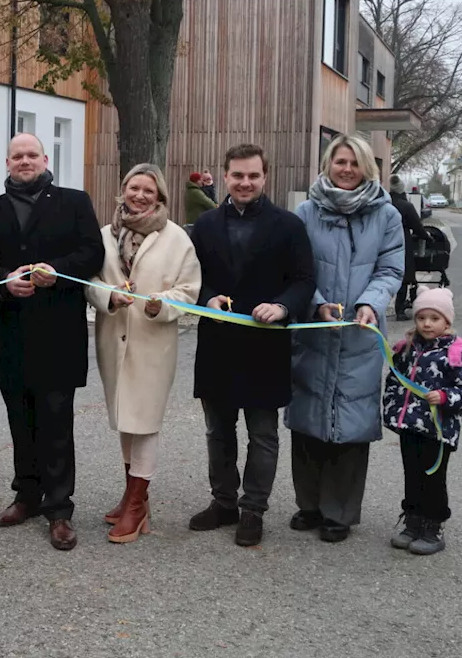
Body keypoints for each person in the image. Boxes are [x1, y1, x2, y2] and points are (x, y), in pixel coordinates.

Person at [0, 133, 105, 551]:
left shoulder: (73, 201)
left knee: (55, 422)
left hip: (57, 331)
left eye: (32, 154)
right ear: (7, 163)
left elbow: (92, 253)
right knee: (19, 420)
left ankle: (59, 508)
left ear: (45, 159)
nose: (25, 161)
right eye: (18, 156)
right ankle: (26, 496)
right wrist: (3, 285)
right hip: (11, 329)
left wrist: (60, 269)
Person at [187, 144, 315, 547]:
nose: (245, 182)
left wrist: (282, 305)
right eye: (238, 175)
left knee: (263, 434)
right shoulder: (204, 224)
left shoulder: (288, 226)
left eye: (253, 176)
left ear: (265, 177)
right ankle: (223, 501)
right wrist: (205, 297)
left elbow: (303, 280)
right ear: (224, 176)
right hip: (218, 345)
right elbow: (191, 277)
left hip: (265, 346)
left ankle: (253, 509)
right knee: (218, 431)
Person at [287, 133, 404, 543]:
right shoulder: (305, 211)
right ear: (328, 164)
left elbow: (390, 269)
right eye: (340, 162)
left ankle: (340, 512)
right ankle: (310, 505)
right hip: (314, 330)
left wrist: (369, 303)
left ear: (367, 169)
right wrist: (316, 303)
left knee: (351, 422)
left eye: (355, 163)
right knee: (308, 417)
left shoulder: (386, 215)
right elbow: (295, 268)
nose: (347, 170)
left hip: (359, 333)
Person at [87, 164, 201, 544]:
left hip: (153, 340)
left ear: (161, 197)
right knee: (125, 415)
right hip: (114, 335)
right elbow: (92, 282)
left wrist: (160, 305)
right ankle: (132, 495)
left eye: (148, 190)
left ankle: (137, 506)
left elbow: (189, 289)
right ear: (123, 191)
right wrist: (109, 297)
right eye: (134, 188)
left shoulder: (176, 239)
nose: (139, 195)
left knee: (146, 419)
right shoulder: (106, 235)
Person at [382, 288, 462, 555]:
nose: (427, 324)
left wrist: (445, 397)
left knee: (433, 477)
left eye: (434, 318)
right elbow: (394, 380)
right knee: (412, 474)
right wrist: (392, 412)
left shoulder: (457, 353)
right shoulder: (406, 349)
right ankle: (413, 520)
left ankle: (433, 525)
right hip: (410, 426)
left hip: (438, 432)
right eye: (421, 318)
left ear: (447, 322)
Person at [388, 175, 428, 321]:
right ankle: (399, 310)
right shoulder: (406, 206)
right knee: (404, 275)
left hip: (382, 242)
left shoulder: (383, 204)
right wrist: (427, 237)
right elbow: (417, 227)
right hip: (402, 242)